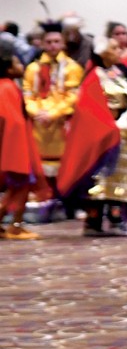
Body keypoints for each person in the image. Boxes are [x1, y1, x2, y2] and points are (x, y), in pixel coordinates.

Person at [58, 39, 127, 237]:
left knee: (120, 176)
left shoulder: (116, 73)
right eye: (114, 48)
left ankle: (117, 220)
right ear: (103, 53)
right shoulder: (94, 76)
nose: (119, 51)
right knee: (100, 178)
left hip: (122, 132)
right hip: (104, 134)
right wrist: (108, 125)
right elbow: (88, 108)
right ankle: (94, 220)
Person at [23, 22, 85, 185]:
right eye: (49, 42)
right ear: (42, 43)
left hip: (61, 123)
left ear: (63, 43)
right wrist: (36, 112)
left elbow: (73, 97)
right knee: (39, 166)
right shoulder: (32, 68)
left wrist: (53, 113)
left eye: (57, 41)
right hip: (38, 123)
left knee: (63, 167)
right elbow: (27, 94)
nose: (53, 45)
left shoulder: (72, 68)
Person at [0, 37, 42, 240]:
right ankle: (15, 225)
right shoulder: (7, 87)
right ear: (8, 68)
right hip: (15, 146)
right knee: (21, 186)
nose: (21, 65)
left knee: (17, 188)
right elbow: (12, 121)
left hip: (15, 144)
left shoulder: (7, 85)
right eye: (17, 62)